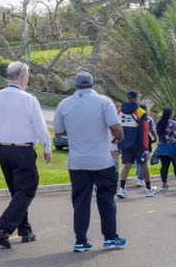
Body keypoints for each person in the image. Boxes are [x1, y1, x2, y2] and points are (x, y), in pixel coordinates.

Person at [0, 61, 52, 248]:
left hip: (2, 149)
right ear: (22, 78)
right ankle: (4, 227)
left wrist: (1, 128)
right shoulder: (28, 99)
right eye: (27, 76)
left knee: (17, 191)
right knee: (27, 189)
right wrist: (46, 147)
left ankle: (25, 230)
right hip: (22, 149)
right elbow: (40, 127)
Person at [53, 72, 127, 252]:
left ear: (76, 85)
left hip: (77, 162)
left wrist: (76, 130)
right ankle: (110, 238)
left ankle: (81, 241)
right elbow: (115, 128)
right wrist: (119, 138)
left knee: (80, 201)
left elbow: (58, 131)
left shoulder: (64, 104)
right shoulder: (103, 101)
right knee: (106, 198)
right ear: (92, 84)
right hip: (101, 160)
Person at [116, 90, 157, 198]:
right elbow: (144, 131)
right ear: (136, 98)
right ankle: (148, 189)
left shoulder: (119, 111)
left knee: (127, 166)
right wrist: (146, 148)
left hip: (125, 144)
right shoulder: (141, 112)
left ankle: (122, 189)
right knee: (144, 165)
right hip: (138, 145)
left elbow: (117, 127)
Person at [155, 108, 176, 189]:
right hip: (173, 148)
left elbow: (158, 134)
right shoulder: (173, 123)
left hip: (162, 148)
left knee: (164, 166)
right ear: (170, 114)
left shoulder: (159, 123)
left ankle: (164, 184)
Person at [135, 104, 158, 187]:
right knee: (144, 159)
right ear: (145, 110)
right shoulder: (148, 118)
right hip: (144, 139)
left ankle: (137, 175)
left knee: (137, 158)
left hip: (134, 140)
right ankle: (140, 178)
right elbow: (152, 130)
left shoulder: (134, 116)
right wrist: (155, 138)